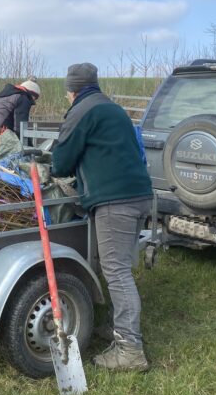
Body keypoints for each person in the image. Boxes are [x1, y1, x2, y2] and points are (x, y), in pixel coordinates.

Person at [51, 62, 153, 371]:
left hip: (115, 201)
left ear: (72, 90)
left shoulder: (82, 111)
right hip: (139, 196)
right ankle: (117, 327)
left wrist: (54, 162)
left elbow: (61, 162)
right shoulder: (113, 108)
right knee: (118, 266)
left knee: (117, 271)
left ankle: (130, 350)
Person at [0, 79, 41, 161]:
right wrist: (31, 148)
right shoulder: (23, 98)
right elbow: (20, 128)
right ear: (32, 94)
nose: (33, 101)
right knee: (5, 169)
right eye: (35, 98)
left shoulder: (3, 95)